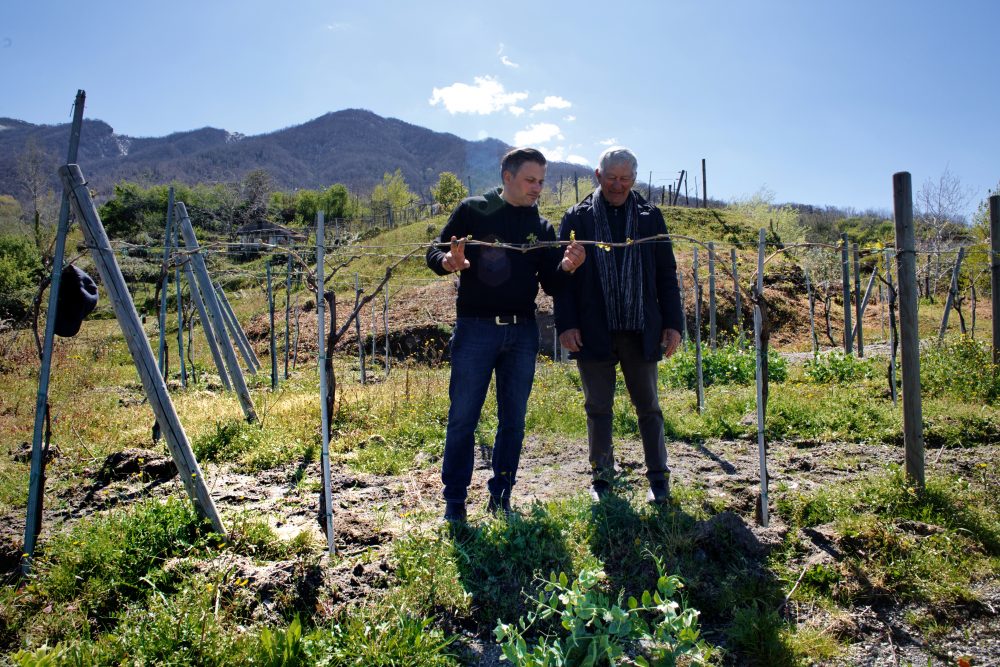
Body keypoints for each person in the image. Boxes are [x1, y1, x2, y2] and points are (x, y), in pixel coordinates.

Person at [427, 147, 585, 522]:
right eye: (531, 180)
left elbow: (551, 283)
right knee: (464, 416)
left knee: (513, 419)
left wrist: (566, 266)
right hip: (475, 330)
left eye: (542, 181)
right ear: (508, 177)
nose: (537, 188)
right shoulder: (472, 210)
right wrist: (448, 261)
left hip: (521, 333)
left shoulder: (542, 228)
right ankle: (455, 503)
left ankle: (502, 496)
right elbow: (435, 251)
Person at [554, 147, 683, 504]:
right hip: (593, 329)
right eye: (611, 178)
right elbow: (562, 277)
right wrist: (565, 324)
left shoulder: (650, 217)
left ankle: (659, 480)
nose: (617, 185)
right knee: (598, 408)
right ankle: (602, 481)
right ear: (598, 176)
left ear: (634, 180)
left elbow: (665, 274)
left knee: (650, 408)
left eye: (625, 179)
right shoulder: (577, 217)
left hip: (642, 328)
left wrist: (673, 324)